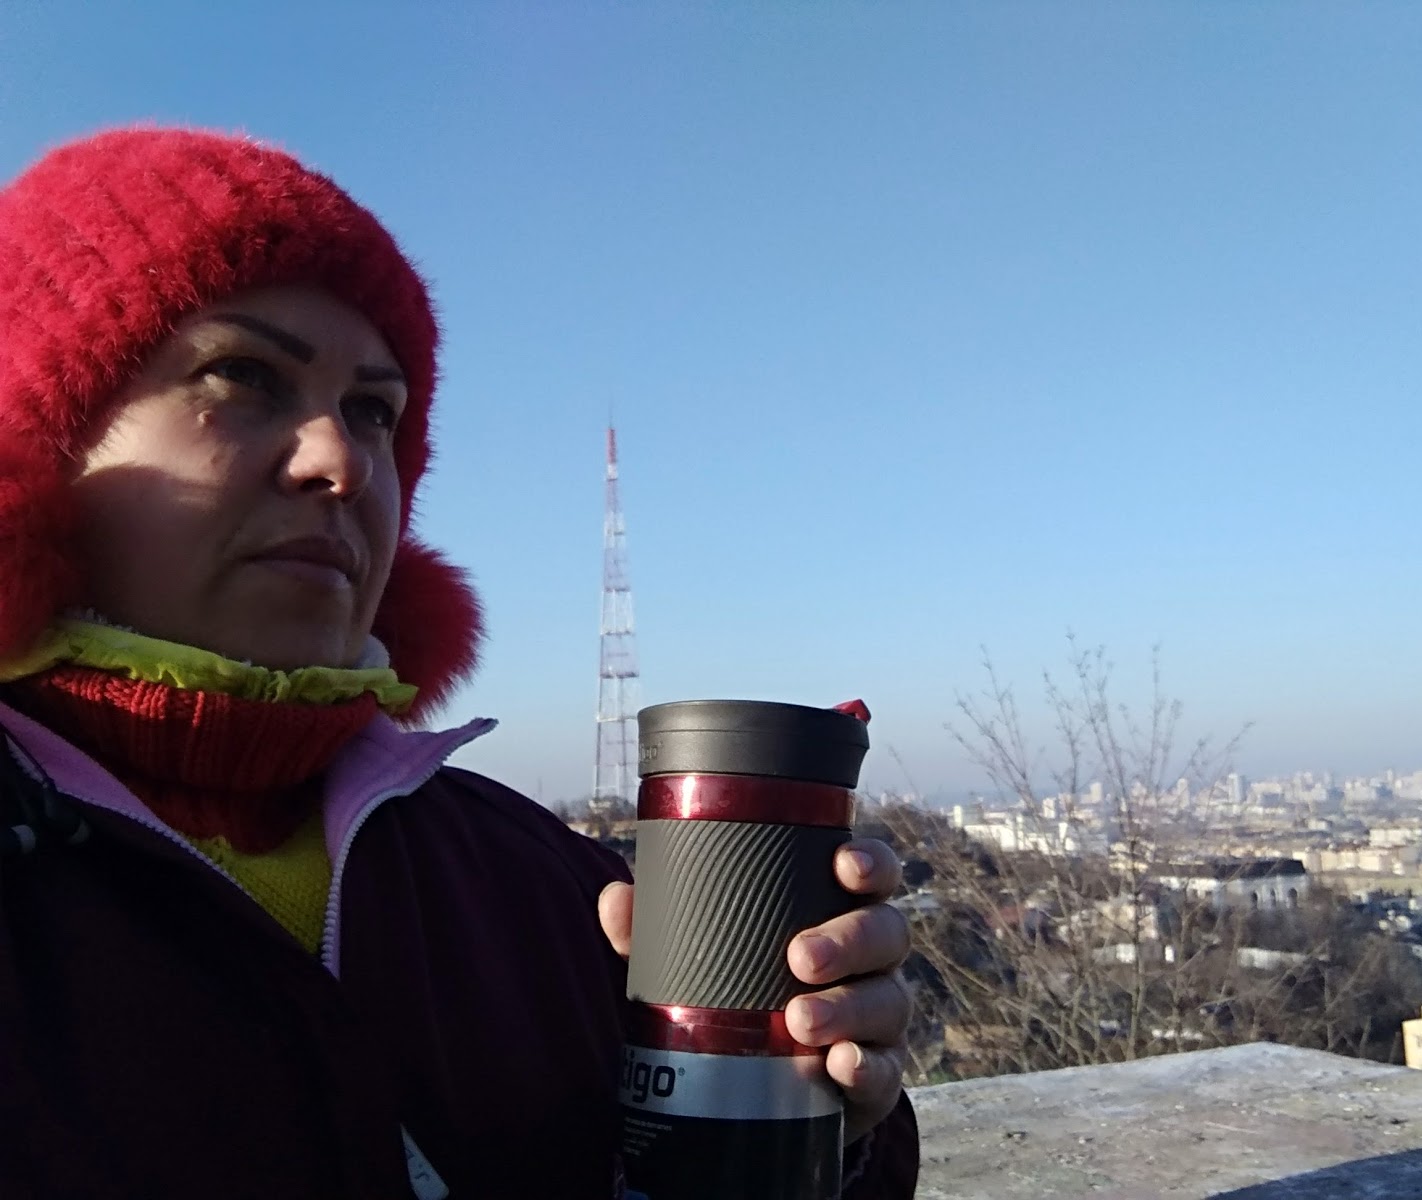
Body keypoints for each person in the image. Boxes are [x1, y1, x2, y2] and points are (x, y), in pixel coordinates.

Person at [0, 127, 918, 1198]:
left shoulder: (550, 887)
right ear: (40, 444)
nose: (342, 460)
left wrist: (824, 1132)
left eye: (374, 411)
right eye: (242, 374)